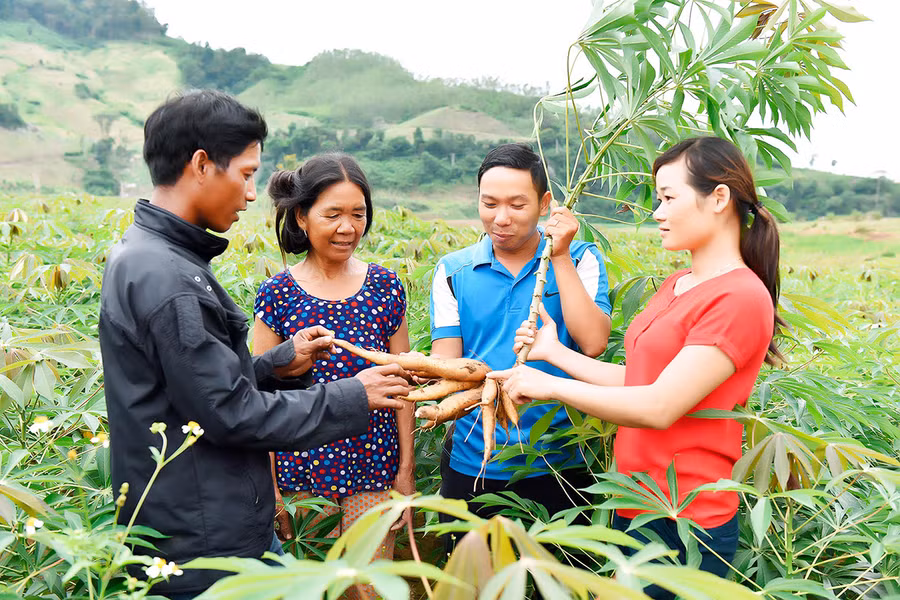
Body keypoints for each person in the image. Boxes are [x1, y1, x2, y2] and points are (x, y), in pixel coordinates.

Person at [98, 90, 410, 599]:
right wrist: (355, 395)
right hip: (202, 534)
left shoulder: (154, 258)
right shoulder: (169, 277)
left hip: (208, 515)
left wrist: (276, 364)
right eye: (245, 174)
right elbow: (229, 413)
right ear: (202, 165)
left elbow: (195, 386)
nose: (250, 193)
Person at [491, 136, 782, 599]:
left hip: (687, 520)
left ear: (719, 198)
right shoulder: (679, 284)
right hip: (639, 505)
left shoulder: (740, 297)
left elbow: (659, 406)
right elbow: (642, 381)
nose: (657, 212)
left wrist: (551, 387)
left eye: (668, 198)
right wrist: (556, 354)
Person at [429, 143, 612, 539]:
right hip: (475, 456)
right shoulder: (453, 270)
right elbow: (446, 362)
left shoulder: (581, 259)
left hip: (561, 457)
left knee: (560, 585)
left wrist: (559, 255)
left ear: (545, 204)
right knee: (472, 581)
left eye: (517, 204)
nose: (501, 218)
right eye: (489, 203)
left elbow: (594, 342)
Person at [252, 153, 414, 599]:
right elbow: (258, 395)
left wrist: (405, 470)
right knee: (310, 590)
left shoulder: (385, 286)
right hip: (299, 469)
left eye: (358, 214)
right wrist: (271, 490)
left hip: (373, 469)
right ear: (302, 217)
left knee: (369, 590)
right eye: (333, 214)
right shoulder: (277, 294)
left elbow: (402, 385)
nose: (348, 227)